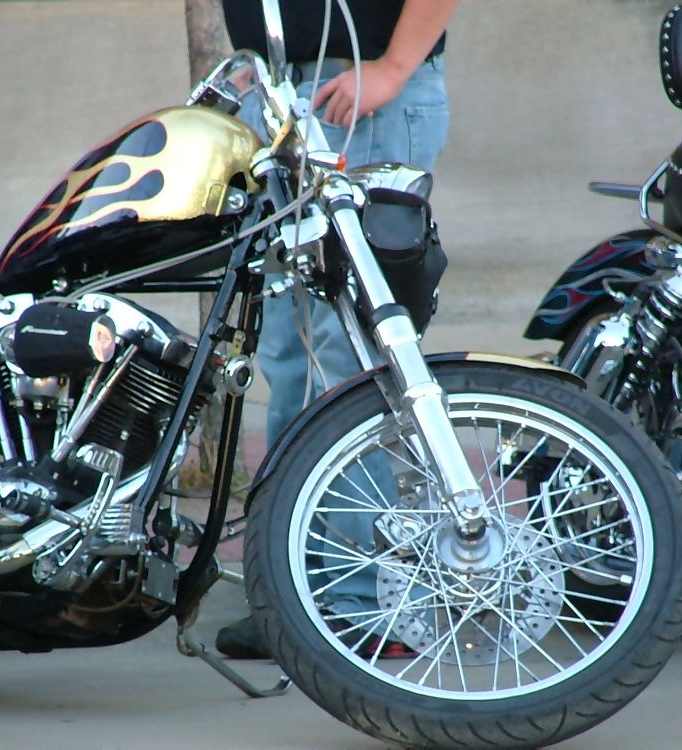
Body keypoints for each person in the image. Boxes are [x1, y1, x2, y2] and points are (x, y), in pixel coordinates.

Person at [216, 0, 458, 659]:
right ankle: (300, 593)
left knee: (347, 357)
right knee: (290, 356)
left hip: (358, 90)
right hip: (282, 94)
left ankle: (360, 603)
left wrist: (396, 66)